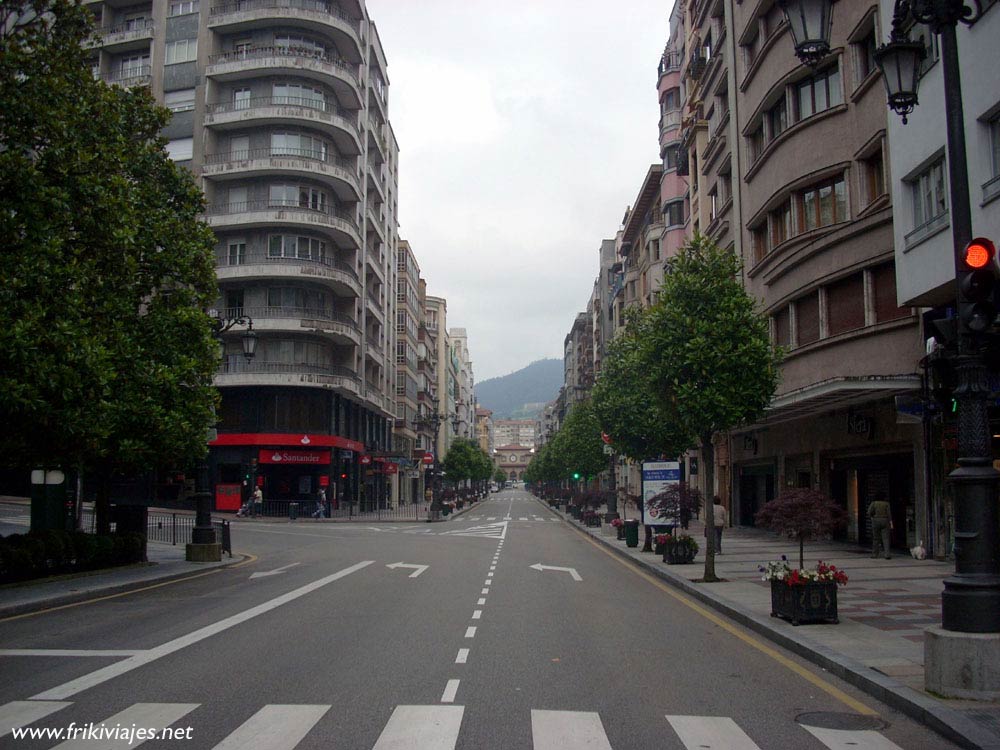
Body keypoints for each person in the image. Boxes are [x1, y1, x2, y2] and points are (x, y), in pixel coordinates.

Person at [868, 493, 892, 559]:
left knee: (876, 538)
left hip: (875, 520)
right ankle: (887, 554)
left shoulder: (874, 503)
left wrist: (872, 517)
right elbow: (889, 514)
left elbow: (869, 512)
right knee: (886, 538)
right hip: (885, 520)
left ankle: (875, 554)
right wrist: (890, 522)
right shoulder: (886, 504)